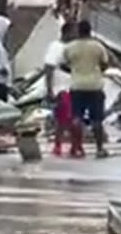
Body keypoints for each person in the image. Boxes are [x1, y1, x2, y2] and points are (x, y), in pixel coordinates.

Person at [62, 19, 111, 158]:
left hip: (77, 86)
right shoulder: (98, 46)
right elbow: (105, 64)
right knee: (97, 120)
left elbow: (63, 64)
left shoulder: (70, 47)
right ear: (90, 31)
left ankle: (77, 148)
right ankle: (100, 149)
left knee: (76, 117)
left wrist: (73, 70)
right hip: (95, 86)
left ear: (78, 31)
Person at [44, 21, 76, 156]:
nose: (76, 35)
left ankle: (74, 145)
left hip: (73, 87)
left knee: (73, 118)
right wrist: (49, 89)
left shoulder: (73, 47)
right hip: (60, 89)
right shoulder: (55, 47)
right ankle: (58, 145)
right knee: (63, 119)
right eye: (74, 32)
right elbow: (49, 68)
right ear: (67, 32)